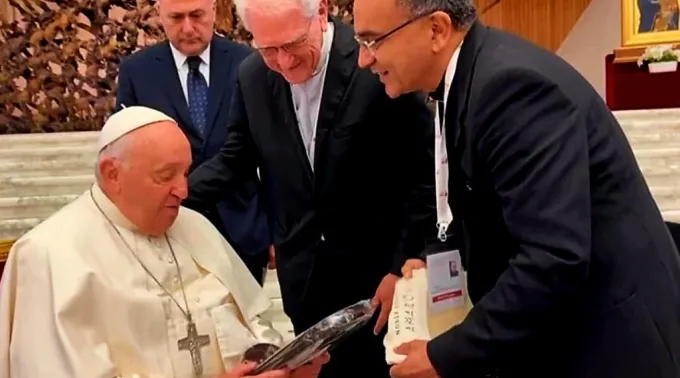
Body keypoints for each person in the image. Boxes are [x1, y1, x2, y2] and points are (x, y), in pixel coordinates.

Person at [352, 0, 680, 377]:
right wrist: (438, 257)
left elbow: (553, 259)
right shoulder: (466, 75)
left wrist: (447, 356)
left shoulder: (510, 89)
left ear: (436, 30)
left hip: (607, 341)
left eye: (373, 41)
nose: (364, 59)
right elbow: (486, 197)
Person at [183, 0, 436, 376]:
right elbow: (235, 158)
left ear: (321, 11)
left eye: (293, 44)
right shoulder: (252, 75)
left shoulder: (376, 59)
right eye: (269, 49)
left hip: (378, 277)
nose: (284, 63)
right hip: (304, 277)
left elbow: (423, 175)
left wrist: (402, 267)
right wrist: (175, 194)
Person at [0, 106, 328, 378]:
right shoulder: (49, 255)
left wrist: (283, 366)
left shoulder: (194, 226)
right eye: (164, 175)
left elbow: (254, 324)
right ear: (112, 173)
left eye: (185, 173)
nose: (183, 191)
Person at [116, 0, 272, 285]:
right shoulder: (137, 72)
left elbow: (271, 153)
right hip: (169, 232)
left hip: (242, 231)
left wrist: (277, 231)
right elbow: (126, 150)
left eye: (197, 15)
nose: (188, 28)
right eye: (176, 17)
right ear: (160, 15)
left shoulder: (248, 63)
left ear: (214, 10)